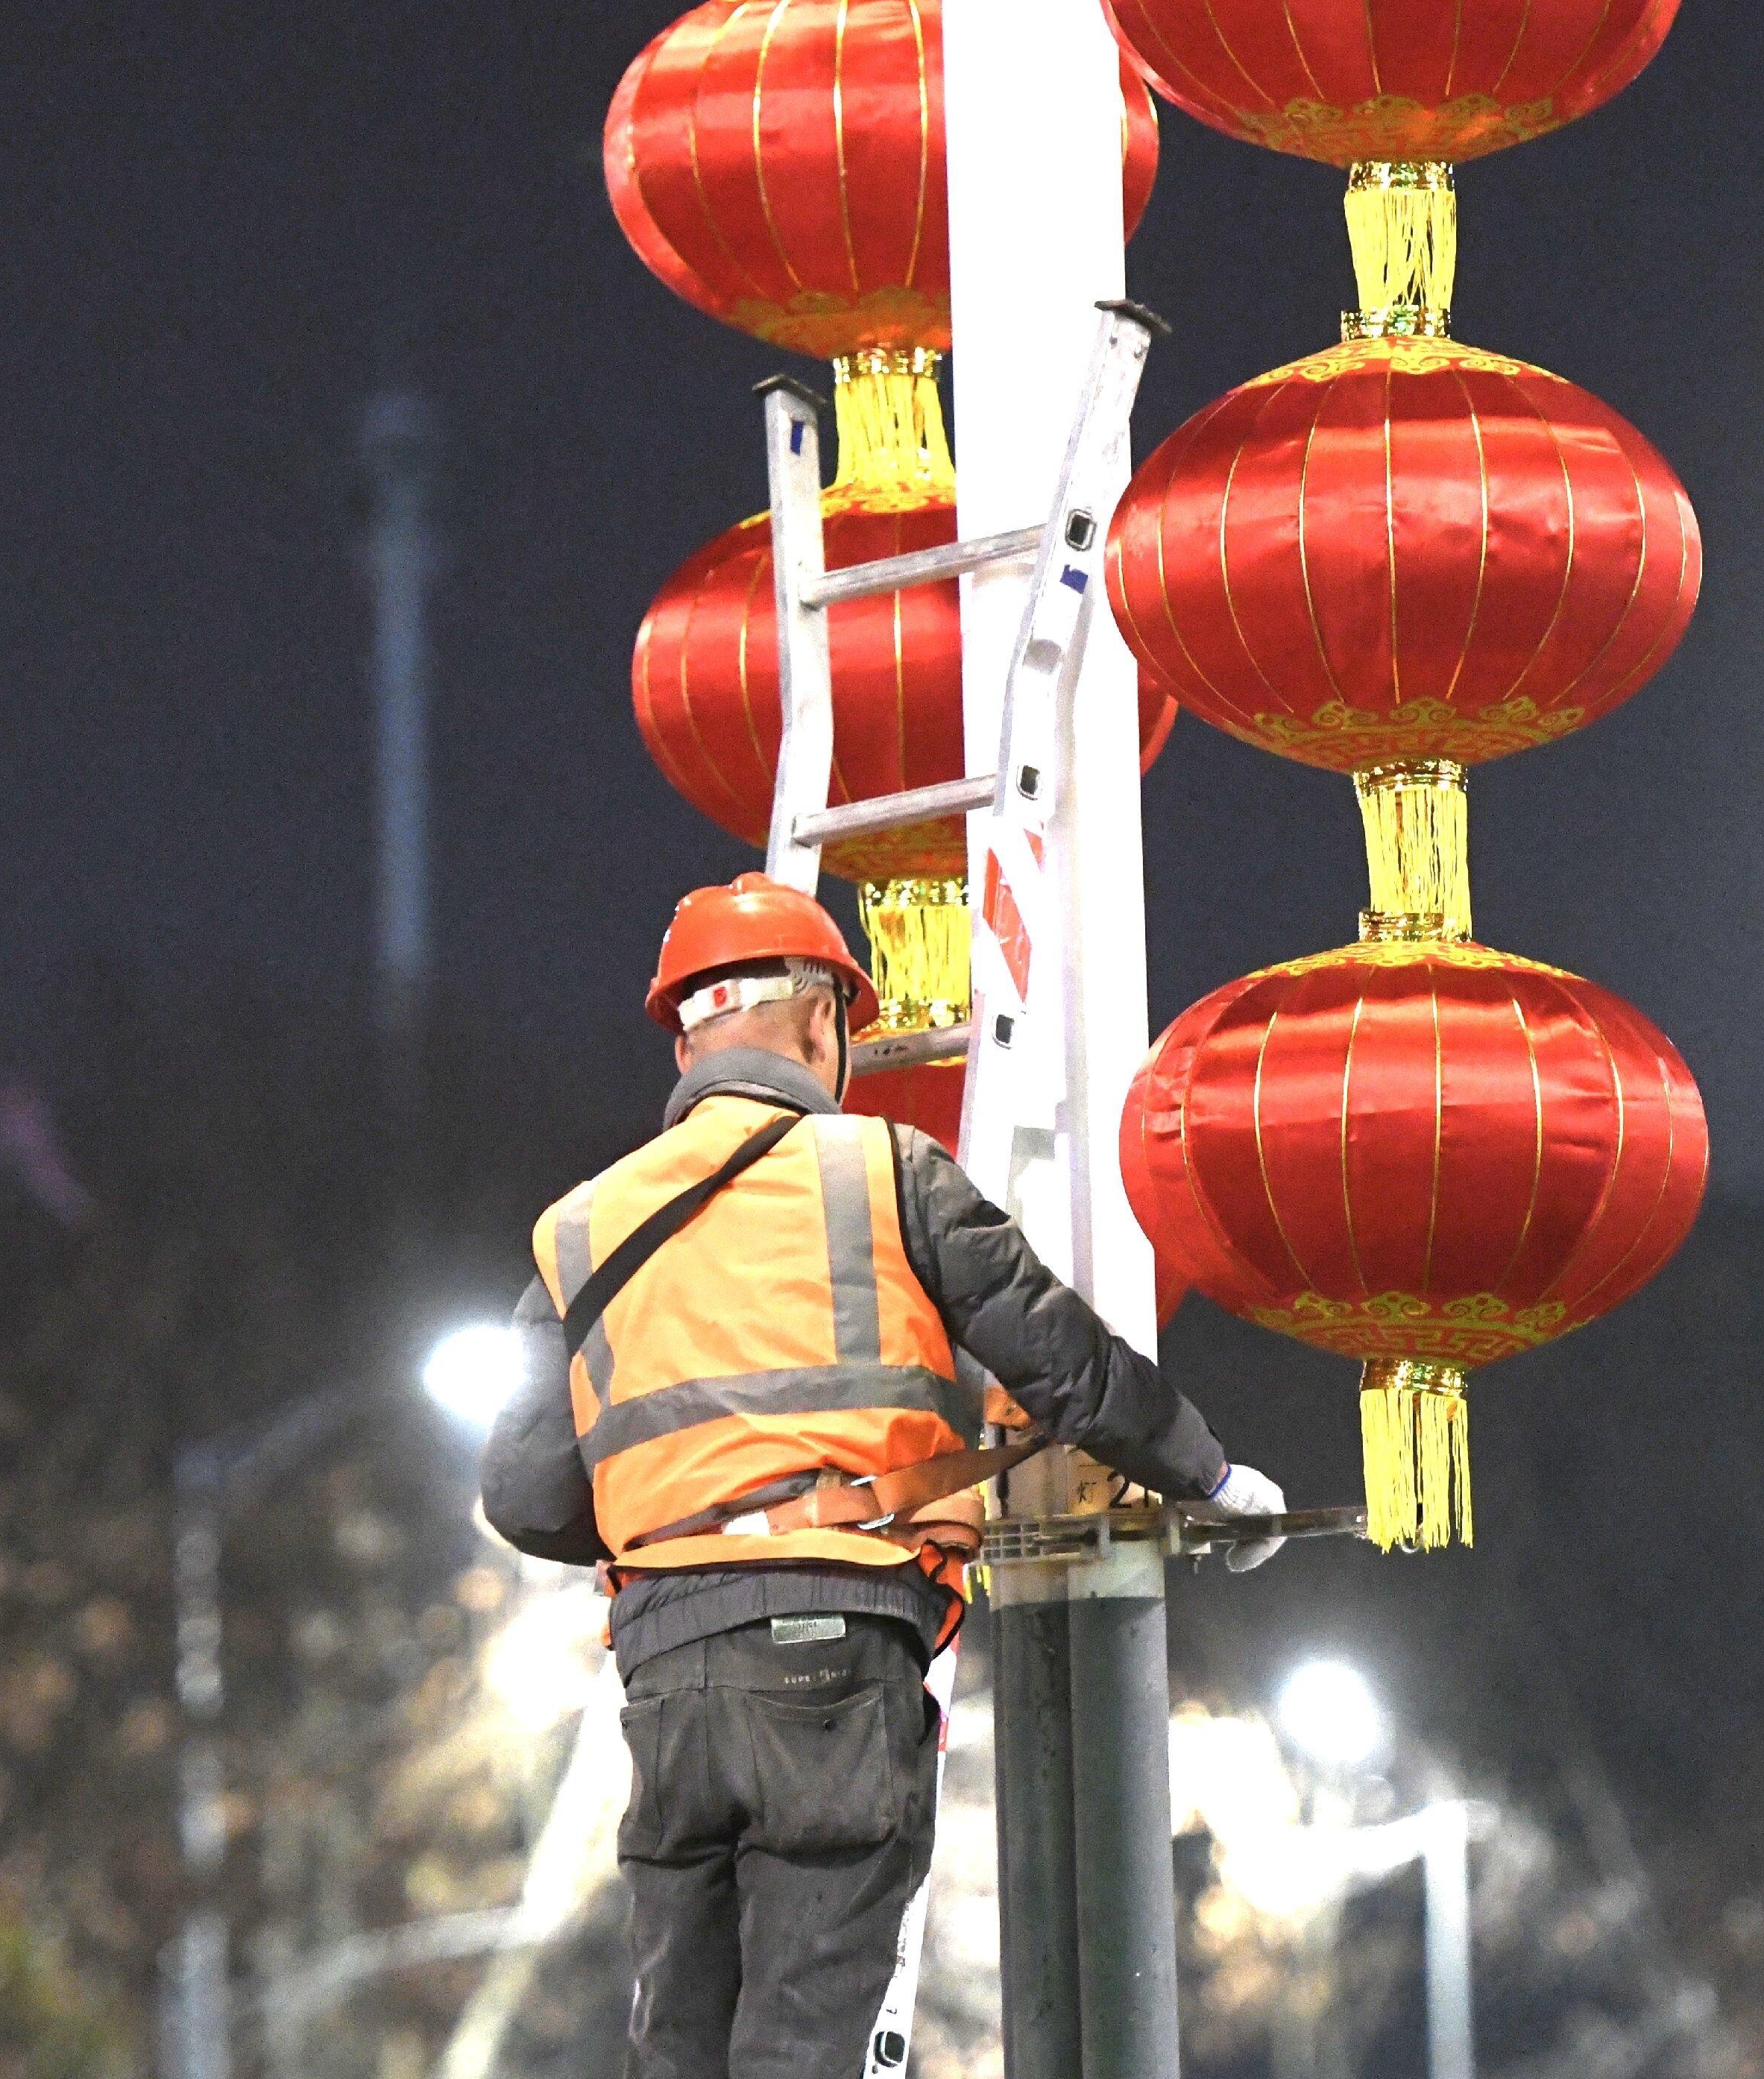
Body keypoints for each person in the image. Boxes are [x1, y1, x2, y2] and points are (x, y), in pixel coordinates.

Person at [480, 872, 1285, 2079]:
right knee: (807, 2046)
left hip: (666, 1680)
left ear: (687, 1033)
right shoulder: (884, 1171)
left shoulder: (578, 1230)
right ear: (823, 1024)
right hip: (834, 1660)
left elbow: (525, 1493)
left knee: (680, 2049)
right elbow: (1062, 1364)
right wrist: (1209, 1475)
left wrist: (687, 1519)